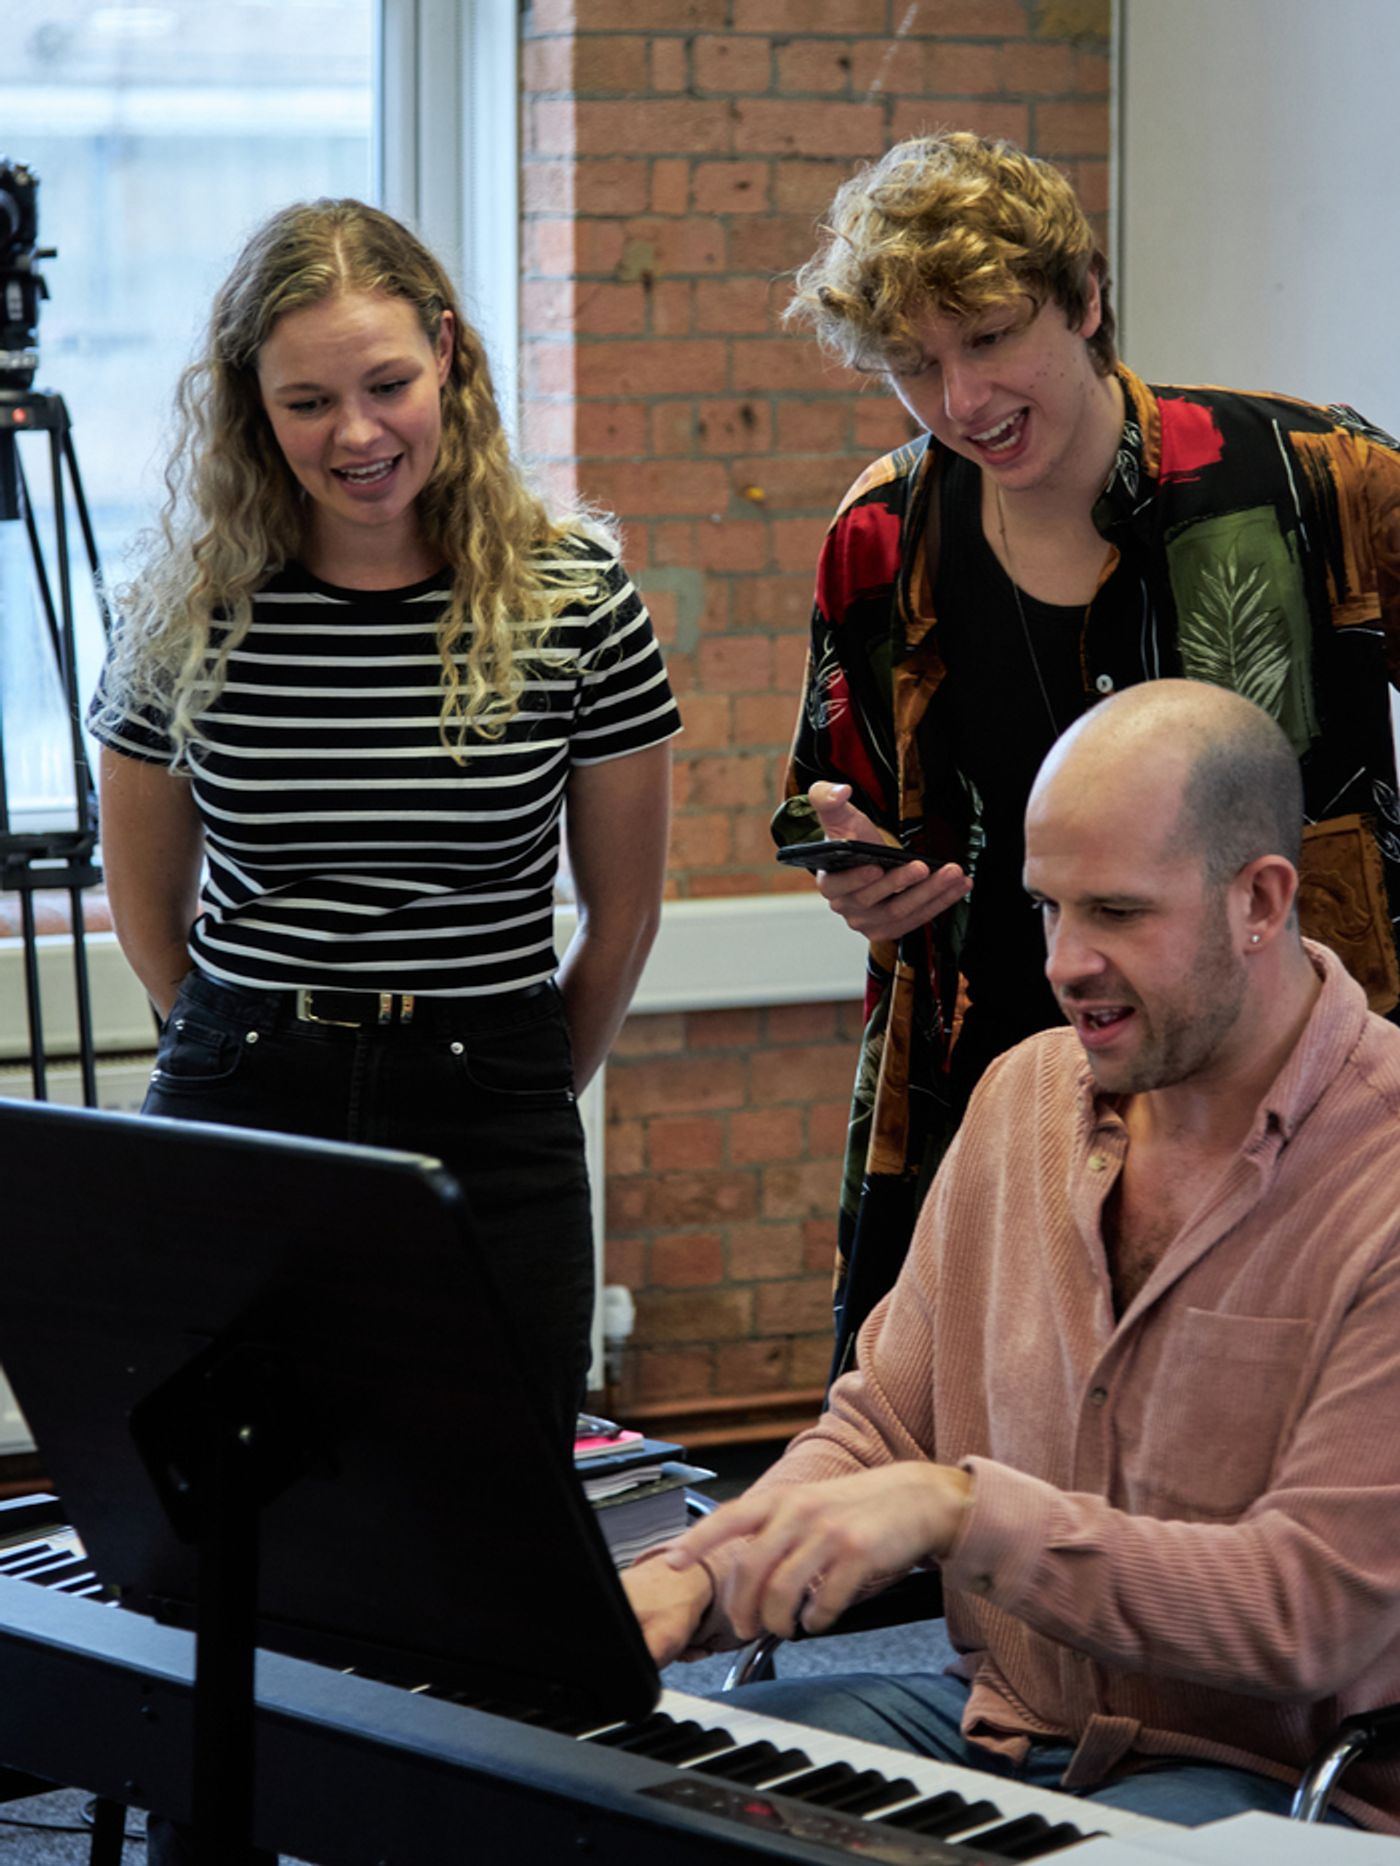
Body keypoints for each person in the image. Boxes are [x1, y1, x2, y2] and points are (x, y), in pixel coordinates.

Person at [628, 680, 1400, 1833]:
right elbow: (879, 1428)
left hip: (1274, 1779)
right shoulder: (1022, 1096)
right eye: (1047, 908)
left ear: (1259, 898)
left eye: (1117, 912)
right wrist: (694, 1575)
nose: (1063, 960)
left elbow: (1302, 1616)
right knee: (640, 1799)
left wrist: (959, 1513)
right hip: (993, 1720)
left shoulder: (1380, 1172)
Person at [773, 131, 1400, 1378]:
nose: (960, 402)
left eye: (991, 337)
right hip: (1003, 1094)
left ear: (1085, 297)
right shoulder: (883, 535)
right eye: (913, 364)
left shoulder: (1309, 476)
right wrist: (855, 876)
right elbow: (819, 796)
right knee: (949, 1476)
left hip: (1303, 1093)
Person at [90, 198, 681, 1453]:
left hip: (490, 1101)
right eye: (306, 402)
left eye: (387, 383)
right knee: (236, 1515)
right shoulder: (178, 605)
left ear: (450, 358)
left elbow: (622, 912)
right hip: (243, 1090)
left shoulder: (576, 596)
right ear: (253, 404)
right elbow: (146, 913)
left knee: (488, 1504)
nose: (356, 433)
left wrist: (517, 1079)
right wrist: (238, 1043)